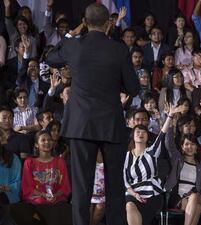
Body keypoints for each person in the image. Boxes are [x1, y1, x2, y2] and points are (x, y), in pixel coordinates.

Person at [45, 3, 140, 225]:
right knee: (115, 187)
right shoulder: (119, 49)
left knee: (81, 188)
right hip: (110, 124)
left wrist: (70, 34)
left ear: (85, 23)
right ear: (109, 23)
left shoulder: (73, 46)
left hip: (80, 124)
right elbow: (134, 88)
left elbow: (50, 57)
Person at [123, 104, 178, 225]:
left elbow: (162, 133)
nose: (140, 134)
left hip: (152, 193)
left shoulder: (152, 152)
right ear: (133, 135)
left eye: (144, 132)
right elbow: (125, 181)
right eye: (137, 131)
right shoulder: (126, 155)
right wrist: (134, 194)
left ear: (148, 136)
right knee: (129, 206)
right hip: (133, 193)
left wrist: (170, 115)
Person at [164, 130, 201, 225]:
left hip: (197, 196)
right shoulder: (177, 160)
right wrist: (171, 124)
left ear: (197, 147)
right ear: (182, 147)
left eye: (192, 144)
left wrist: (192, 197)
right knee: (197, 208)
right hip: (178, 198)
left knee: (194, 197)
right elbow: (169, 144)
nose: (189, 147)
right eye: (186, 144)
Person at [21, 130, 71, 204]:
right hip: (37, 199)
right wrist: (43, 195)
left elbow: (65, 186)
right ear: (36, 144)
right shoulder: (29, 162)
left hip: (57, 198)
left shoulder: (60, 162)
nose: (47, 142)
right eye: (43, 140)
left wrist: (56, 195)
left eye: (49, 140)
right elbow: (27, 187)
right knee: (41, 201)